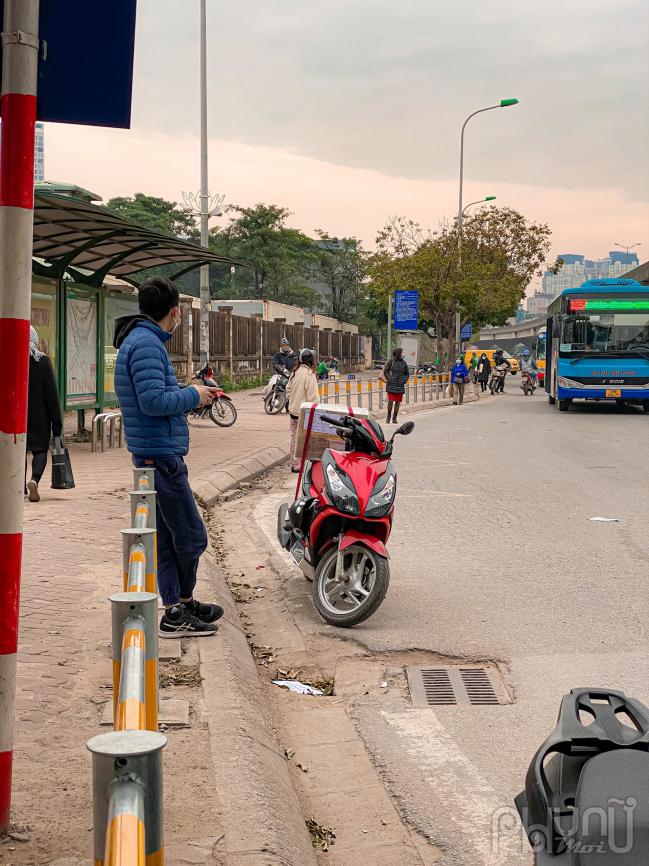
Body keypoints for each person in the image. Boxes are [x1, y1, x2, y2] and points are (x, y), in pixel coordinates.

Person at [114, 276, 223, 638]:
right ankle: (179, 606)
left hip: (155, 454)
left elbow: (158, 391)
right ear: (175, 311)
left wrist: (196, 392)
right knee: (192, 537)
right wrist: (193, 395)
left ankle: (179, 606)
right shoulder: (146, 343)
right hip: (159, 457)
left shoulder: (142, 339)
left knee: (167, 538)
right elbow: (153, 401)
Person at [25, 326, 63, 503]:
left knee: (18, 452)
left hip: (18, 416)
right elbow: (52, 395)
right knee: (40, 450)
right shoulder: (43, 361)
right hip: (40, 416)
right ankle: (34, 480)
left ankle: (19, 487)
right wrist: (57, 424)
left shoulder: (10, 359)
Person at [286, 348, 319, 472]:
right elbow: (313, 397)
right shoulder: (310, 374)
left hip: (293, 411)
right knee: (304, 438)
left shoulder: (295, 372)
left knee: (294, 437)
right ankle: (302, 464)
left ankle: (295, 464)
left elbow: (288, 390)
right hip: (305, 412)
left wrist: (293, 401)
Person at [382, 347, 409, 424]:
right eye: (402, 352)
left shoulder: (404, 363)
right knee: (390, 401)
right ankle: (388, 417)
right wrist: (390, 379)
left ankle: (394, 418)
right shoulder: (391, 361)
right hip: (391, 385)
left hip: (400, 385)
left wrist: (404, 381)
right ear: (398, 353)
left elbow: (407, 374)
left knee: (397, 402)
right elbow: (385, 371)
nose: (403, 354)